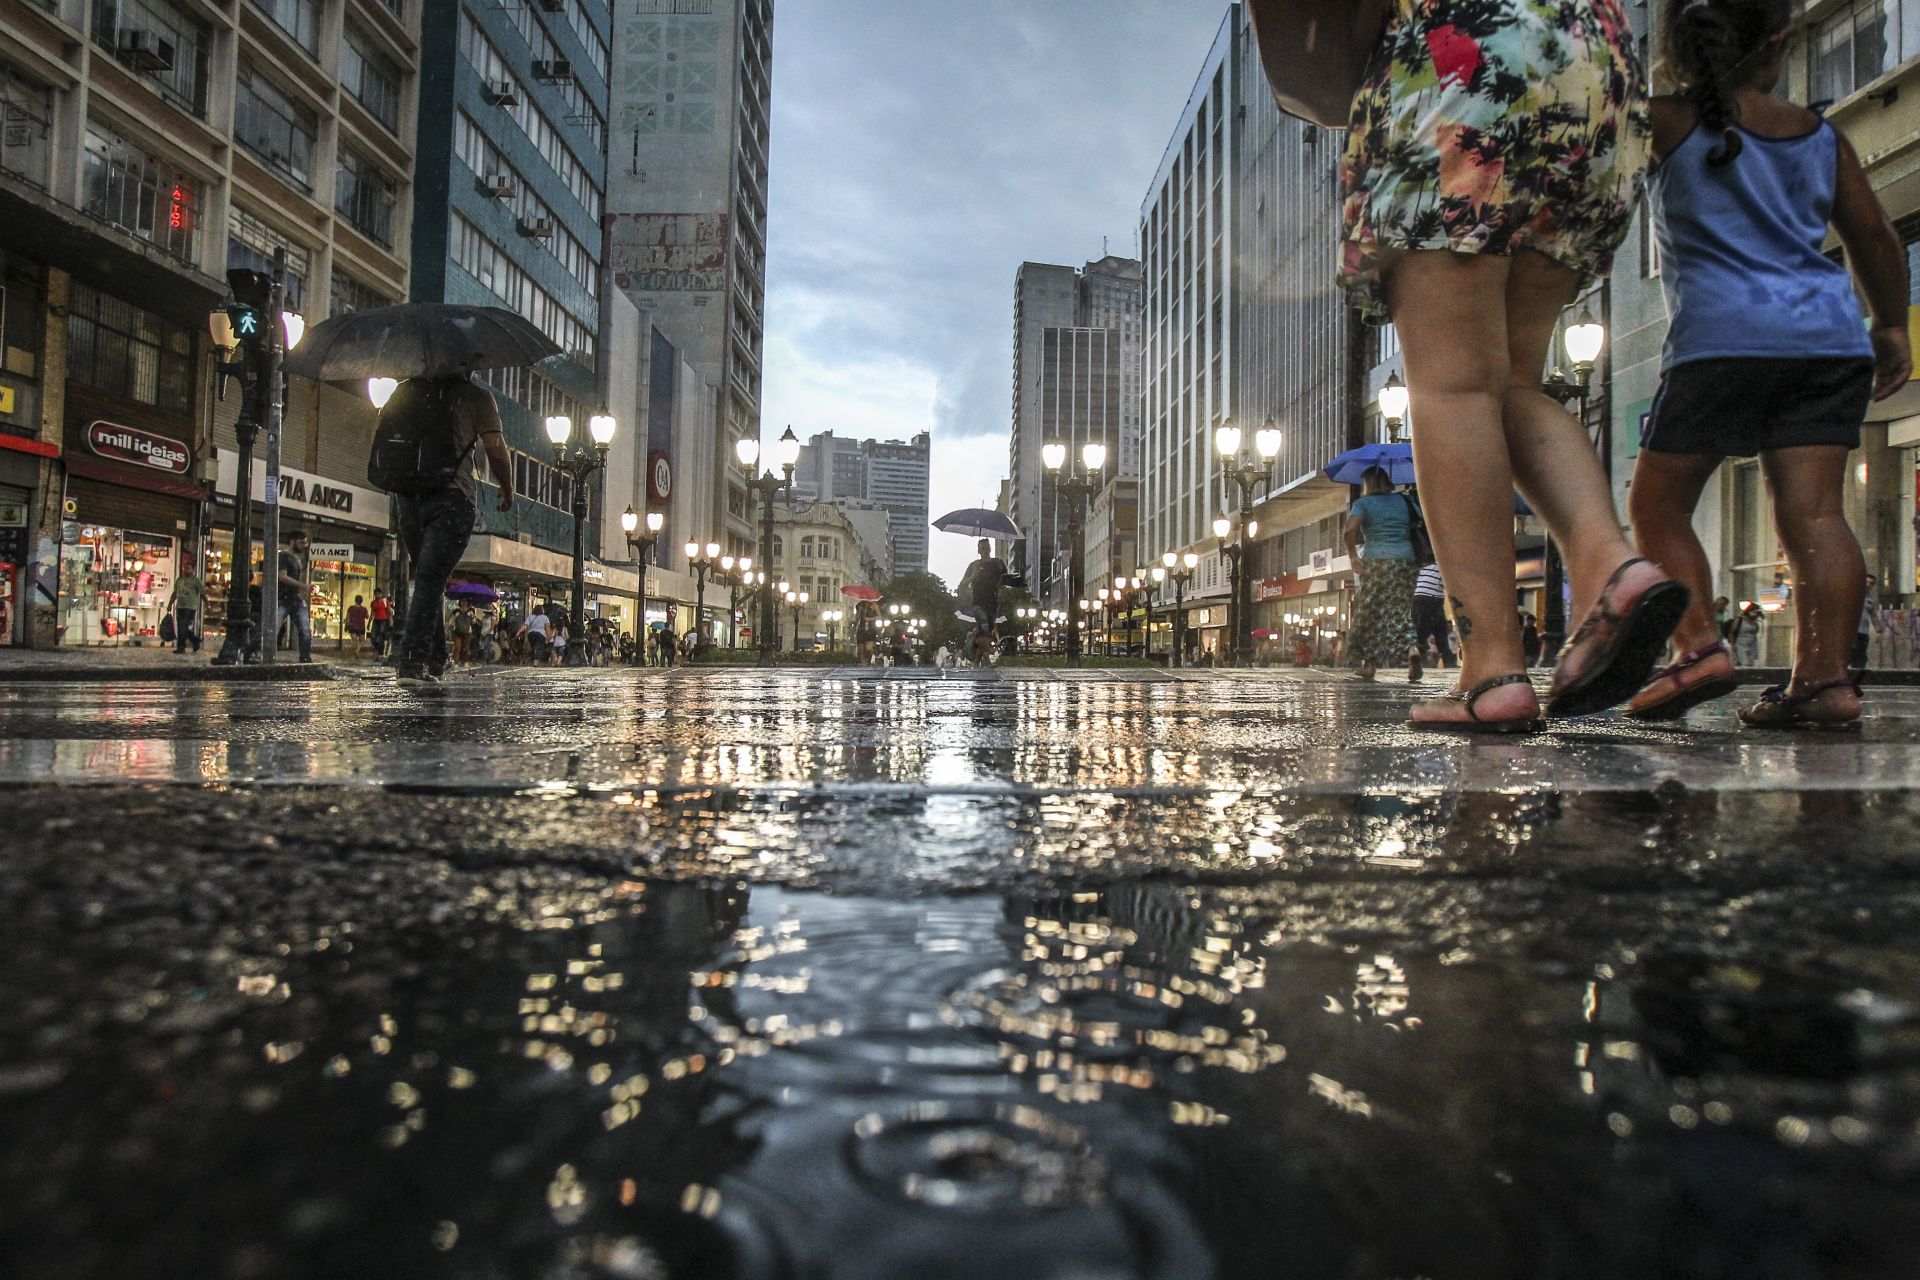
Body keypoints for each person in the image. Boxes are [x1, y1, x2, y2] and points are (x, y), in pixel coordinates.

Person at [1341, 0, 1683, 731]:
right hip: (1592, 73)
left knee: (1455, 384)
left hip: (1463, 57)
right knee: (1513, 382)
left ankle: (1492, 667)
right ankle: (1609, 562)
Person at [1623, 0, 1908, 727]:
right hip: (1827, 338)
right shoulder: (1821, 135)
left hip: (1720, 343)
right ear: (1778, 45)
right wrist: (1890, 328)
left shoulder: (1663, 122)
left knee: (1656, 507)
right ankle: (1825, 681)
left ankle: (1698, 649)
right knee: (1814, 514)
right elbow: (1875, 238)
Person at [382, 375, 514, 686]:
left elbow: (384, 434)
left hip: (410, 497)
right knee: (430, 577)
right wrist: (507, 486)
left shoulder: (406, 390)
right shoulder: (477, 397)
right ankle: (411, 662)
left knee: (429, 577)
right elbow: (494, 445)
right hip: (452, 497)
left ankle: (438, 658)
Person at [1342, 467, 1423, 682]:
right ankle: (1412, 649)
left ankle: (1369, 665)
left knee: (1370, 611)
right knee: (1399, 610)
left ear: (1367, 483)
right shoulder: (1404, 501)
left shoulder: (1364, 504)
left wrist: (1352, 555)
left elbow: (1349, 530)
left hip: (1378, 561)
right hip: (1407, 560)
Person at [956, 540, 1008, 660]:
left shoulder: (998, 564)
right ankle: (986, 655)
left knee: (987, 630)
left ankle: (978, 657)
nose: (984, 550)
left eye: (986, 547)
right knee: (984, 625)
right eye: (982, 548)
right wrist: (972, 576)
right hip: (978, 602)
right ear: (978, 550)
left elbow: (1005, 579)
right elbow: (962, 585)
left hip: (993, 602)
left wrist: (1000, 582)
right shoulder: (974, 565)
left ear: (990, 549)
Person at [274, 530, 313, 663]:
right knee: (273, 629)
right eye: (301, 542)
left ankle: (305, 658)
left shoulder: (296, 559)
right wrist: (304, 586)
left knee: (305, 630)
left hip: (294, 598)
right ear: (292, 541)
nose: (303, 546)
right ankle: (253, 652)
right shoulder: (283, 556)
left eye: (305, 543)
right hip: (283, 598)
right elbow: (282, 577)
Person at [1412, 561, 1453, 669]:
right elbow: (1448, 584)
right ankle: (1448, 663)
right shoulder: (1442, 565)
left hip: (1417, 600)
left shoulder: (1421, 565)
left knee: (1422, 633)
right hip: (1432, 600)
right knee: (1440, 634)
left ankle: (1417, 658)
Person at [166, 564, 205, 655]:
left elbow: (202, 593)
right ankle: (195, 641)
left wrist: (206, 603)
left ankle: (181, 647)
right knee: (181, 627)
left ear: (192, 570)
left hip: (190, 607)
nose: (186, 570)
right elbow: (175, 593)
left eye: (188, 568)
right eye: (185, 568)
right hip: (180, 606)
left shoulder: (196, 581)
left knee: (183, 627)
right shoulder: (179, 580)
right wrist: (170, 604)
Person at [449, 601, 476, 666]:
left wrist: (473, 616)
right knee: (457, 648)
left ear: (467, 603)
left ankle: (465, 662)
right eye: (462, 601)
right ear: (460, 602)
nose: (464, 603)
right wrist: (447, 626)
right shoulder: (456, 611)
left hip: (467, 633)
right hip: (457, 632)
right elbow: (451, 620)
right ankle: (455, 662)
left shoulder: (471, 611)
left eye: (465, 601)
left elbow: (474, 622)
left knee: (466, 648)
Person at [369, 592, 393, 659]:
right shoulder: (373, 603)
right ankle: (378, 649)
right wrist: (369, 622)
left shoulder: (385, 602)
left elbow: (389, 612)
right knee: (373, 637)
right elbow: (372, 613)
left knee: (381, 636)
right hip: (376, 620)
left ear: (381, 594)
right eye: (376, 594)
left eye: (378, 594)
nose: (377, 595)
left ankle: (381, 653)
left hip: (384, 620)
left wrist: (391, 622)